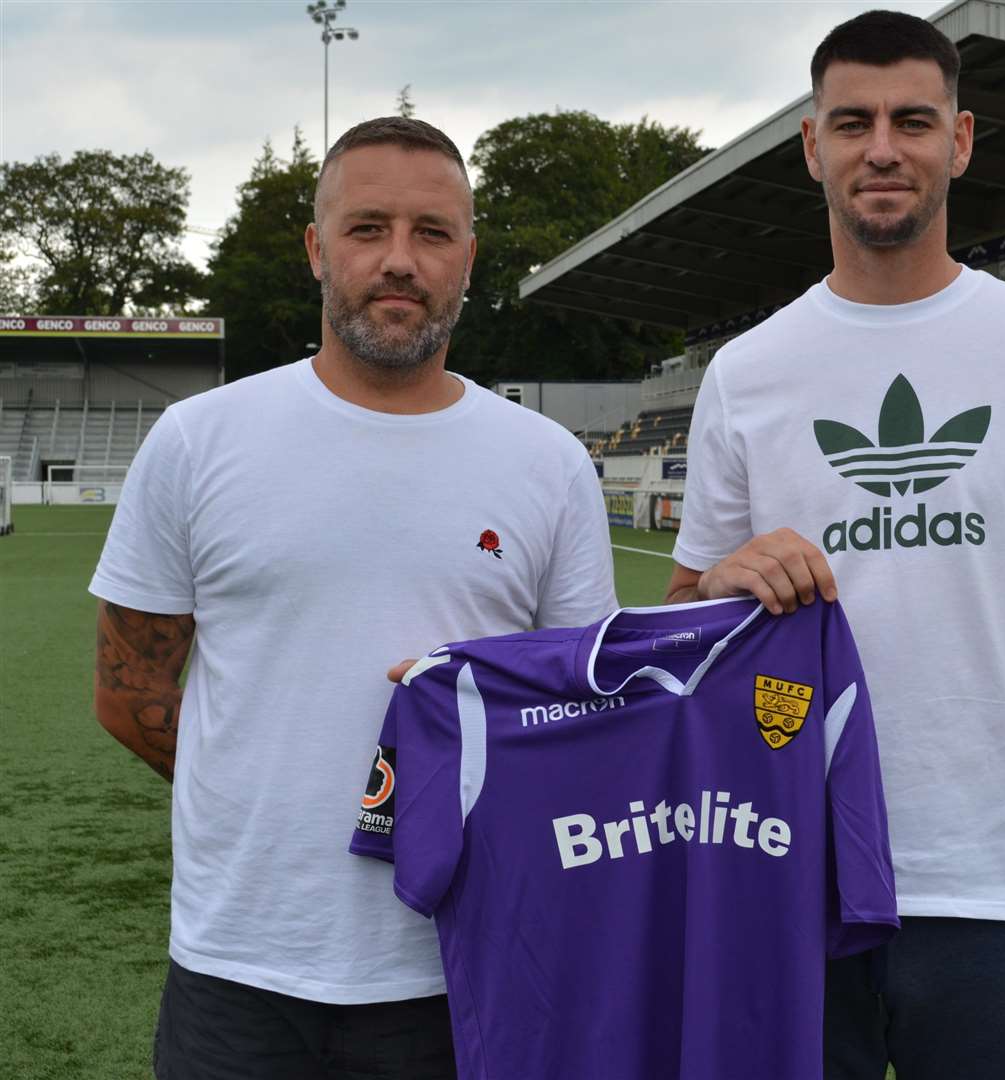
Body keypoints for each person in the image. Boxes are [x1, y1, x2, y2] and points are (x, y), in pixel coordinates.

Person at [666, 11, 1005, 1079]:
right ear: (813, 147)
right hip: (787, 878)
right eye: (852, 122)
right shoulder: (750, 372)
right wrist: (719, 579)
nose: (883, 148)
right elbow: (674, 636)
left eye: (914, 120)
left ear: (959, 140)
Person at [90, 116, 616, 1080]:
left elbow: (577, 714)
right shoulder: (198, 440)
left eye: (433, 233)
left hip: (461, 967)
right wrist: (264, 787)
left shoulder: (547, 464)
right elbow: (129, 692)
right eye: (368, 228)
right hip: (238, 970)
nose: (400, 261)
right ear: (317, 249)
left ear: (469, 256)